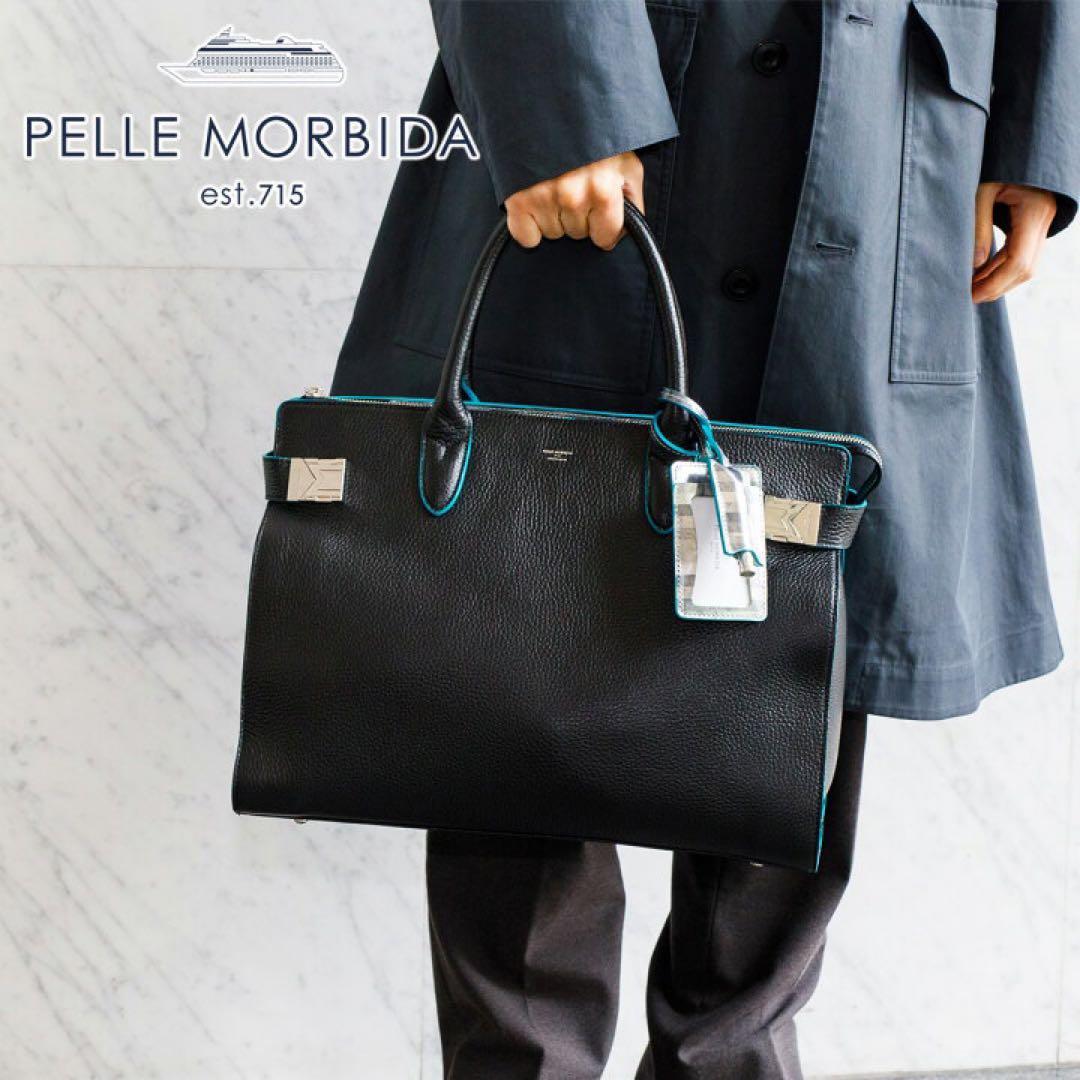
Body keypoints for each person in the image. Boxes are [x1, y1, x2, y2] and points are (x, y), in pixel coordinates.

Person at [332, 2, 1080, 1076]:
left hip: (881, 116)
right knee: (519, 622)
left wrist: (1038, 124)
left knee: (801, 643)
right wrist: (562, 86)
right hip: (617, 116)